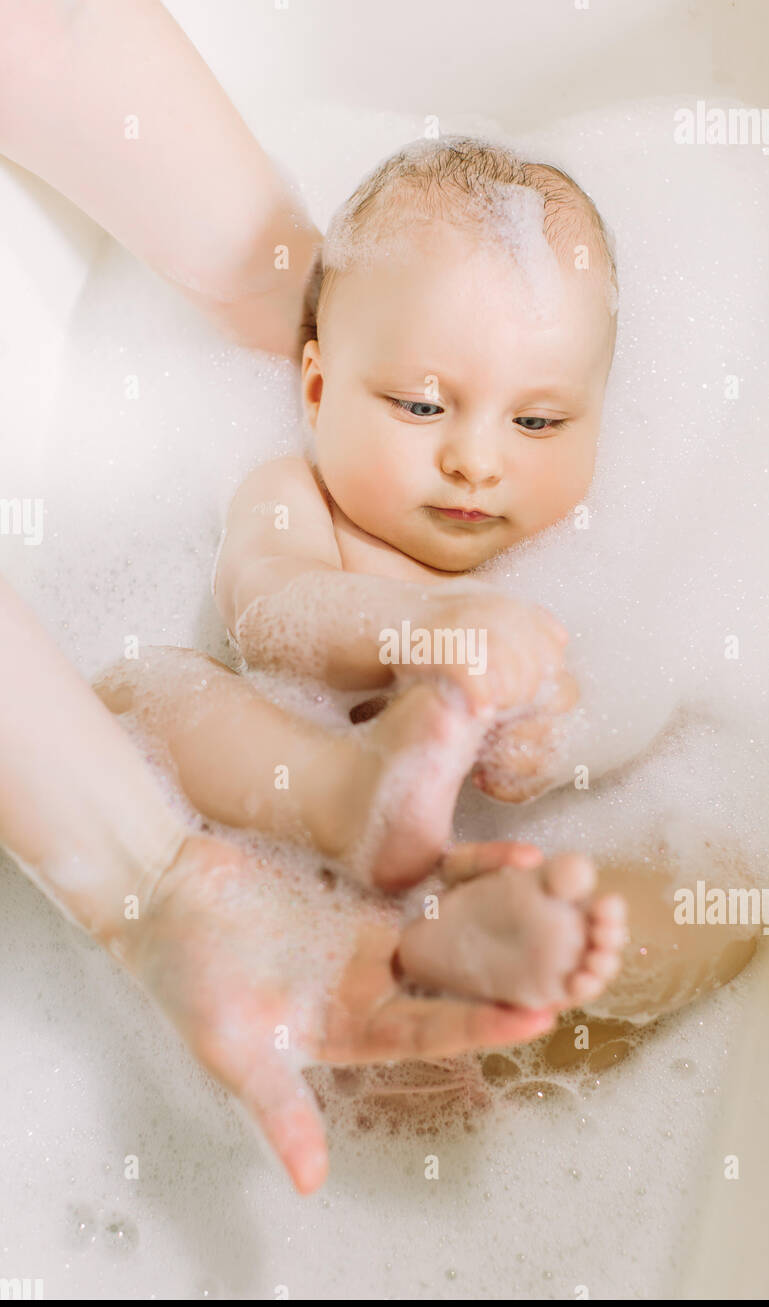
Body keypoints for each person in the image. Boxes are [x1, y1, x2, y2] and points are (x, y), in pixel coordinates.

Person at [0, 0, 579, 1196]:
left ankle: (540, 992)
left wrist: (530, 735)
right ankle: (348, 799)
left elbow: (56, 28)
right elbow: (269, 609)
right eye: (418, 404)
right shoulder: (298, 491)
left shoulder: (559, 565)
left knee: (689, 906)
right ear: (316, 387)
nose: (475, 459)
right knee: (148, 692)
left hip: (455, 883)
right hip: (273, 813)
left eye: (537, 422)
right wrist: (425, 629)